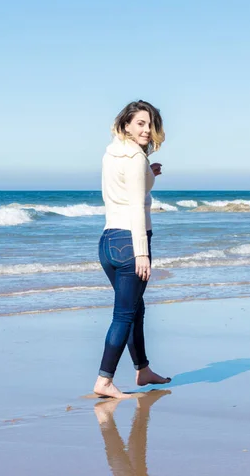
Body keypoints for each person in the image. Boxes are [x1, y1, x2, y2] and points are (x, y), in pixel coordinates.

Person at [93, 100, 171, 399]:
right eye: (140, 123)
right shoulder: (135, 159)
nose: (147, 129)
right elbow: (136, 206)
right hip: (130, 243)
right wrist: (141, 252)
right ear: (126, 124)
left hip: (108, 241)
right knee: (124, 315)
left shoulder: (111, 153)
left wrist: (149, 170)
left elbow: (126, 191)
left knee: (134, 309)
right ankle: (104, 380)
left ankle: (143, 370)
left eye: (150, 124)